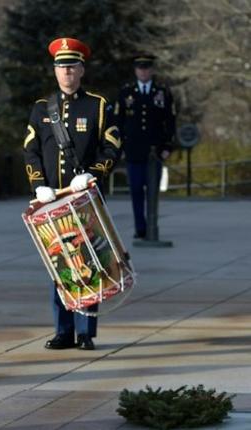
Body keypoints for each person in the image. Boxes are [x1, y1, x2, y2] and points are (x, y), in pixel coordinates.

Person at [22, 37, 122, 351]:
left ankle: (85, 332)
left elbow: (113, 145)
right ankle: (63, 329)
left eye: (72, 66)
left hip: (84, 197)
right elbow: (31, 150)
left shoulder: (97, 105)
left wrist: (94, 172)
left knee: (89, 262)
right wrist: (38, 183)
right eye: (61, 66)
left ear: (81, 69)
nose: (66, 72)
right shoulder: (41, 108)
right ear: (54, 71)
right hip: (53, 199)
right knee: (59, 264)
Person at [114, 53, 176, 239]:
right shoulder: (126, 92)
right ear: (135, 70)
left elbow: (170, 121)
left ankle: (151, 226)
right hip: (133, 151)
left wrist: (167, 147)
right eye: (140, 68)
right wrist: (120, 148)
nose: (143, 71)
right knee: (135, 190)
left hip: (155, 152)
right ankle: (140, 228)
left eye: (147, 67)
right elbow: (118, 121)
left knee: (152, 191)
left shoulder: (162, 92)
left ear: (152, 70)